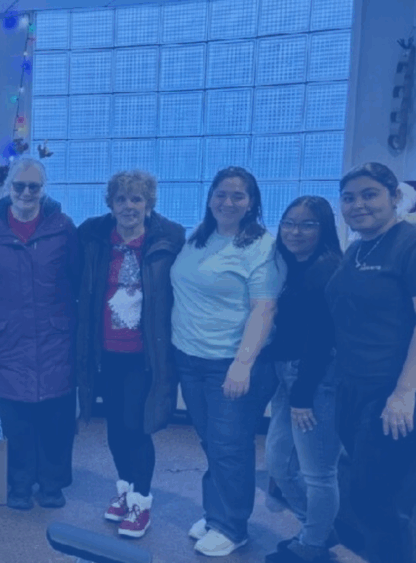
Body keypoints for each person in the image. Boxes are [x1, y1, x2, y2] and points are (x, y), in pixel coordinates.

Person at [325, 162, 416, 563]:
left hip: (399, 392)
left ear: (393, 196)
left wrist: (404, 393)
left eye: (370, 194)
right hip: (356, 387)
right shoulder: (357, 249)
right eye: (349, 197)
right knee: (364, 493)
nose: (358, 205)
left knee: (385, 503)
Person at [170, 166, 284, 557]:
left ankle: (232, 527)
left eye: (238, 196)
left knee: (230, 446)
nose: (228, 202)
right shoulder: (198, 238)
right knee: (212, 442)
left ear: (251, 202)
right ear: (210, 197)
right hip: (190, 358)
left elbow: (264, 310)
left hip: (230, 363)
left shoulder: (262, 247)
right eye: (221, 194)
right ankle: (216, 511)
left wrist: (242, 364)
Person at [0, 156, 80, 511]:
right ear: (8, 187)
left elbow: (77, 281)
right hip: (7, 337)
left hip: (53, 337)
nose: (27, 193)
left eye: (34, 186)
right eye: (20, 186)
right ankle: (18, 484)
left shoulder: (62, 226)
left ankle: (51, 484)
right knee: (14, 416)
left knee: (55, 415)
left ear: (44, 189)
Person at [74, 170, 185, 537]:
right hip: (105, 351)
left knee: (136, 427)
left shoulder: (168, 240)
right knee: (115, 429)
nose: (128, 206)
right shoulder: (93, 237)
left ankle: (142, 500)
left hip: (144, 354)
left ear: (148, 204)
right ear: (111, 203)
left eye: (136, 199)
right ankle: (124, 489)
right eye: (121, 199)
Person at [263, 196, 343, 563]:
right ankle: (318, 528)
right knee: (278, 462)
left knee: (318, 472)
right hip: (288, 374)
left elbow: (323, 340)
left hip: (313, 379)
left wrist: (303, 395)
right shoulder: (291, 266)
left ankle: (312, 546)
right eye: (288, 222)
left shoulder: (325, 270)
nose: (295, 231)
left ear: (324, 228)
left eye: (308, 224)